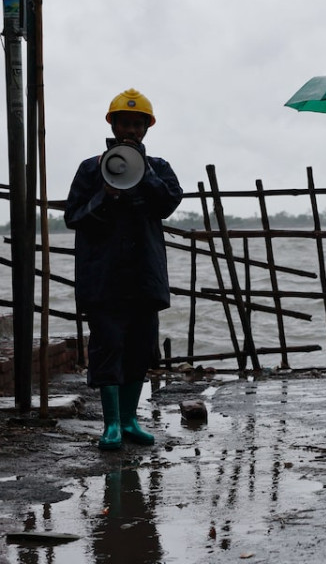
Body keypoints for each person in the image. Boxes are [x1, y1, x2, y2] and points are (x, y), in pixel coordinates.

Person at [64, 88, 183, 449]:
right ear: (113, 125)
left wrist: (143, 172)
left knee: (140, 349)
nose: (131, 130)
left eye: (137, 124)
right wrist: (104, 195)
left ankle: (130, 420)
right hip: (104, 278)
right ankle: (111, 424)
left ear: (147, 128)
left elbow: (168, 204)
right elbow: (74, 217)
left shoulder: (159, 168)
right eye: (125, 123)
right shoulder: (91, 168)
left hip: (143, 277)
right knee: (108, 346)